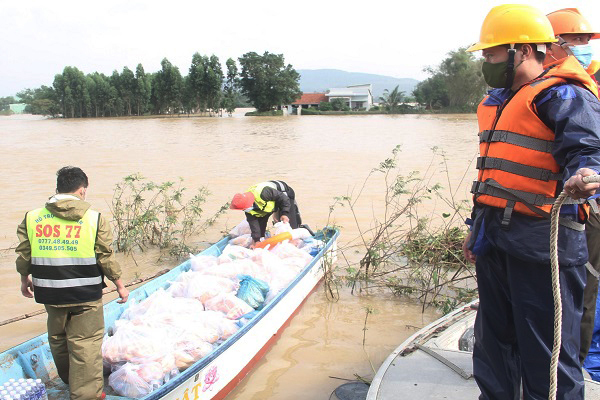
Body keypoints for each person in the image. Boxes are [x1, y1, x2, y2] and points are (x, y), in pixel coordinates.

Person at [462, 4, 600, 399]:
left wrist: (586, 175)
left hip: (543, 243)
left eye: (490, 54)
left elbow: (590, 149)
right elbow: (490, 176)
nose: (485, 62)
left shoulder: (563, 96)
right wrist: (475, 230)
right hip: (495, 237)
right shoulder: (499, 100)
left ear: (521, 50)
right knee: (492, 347)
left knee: (548, 357)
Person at [15, 166, 129, 400]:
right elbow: (105, 257)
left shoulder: (33, 217)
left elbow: (24, 255)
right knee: (85, 343)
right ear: (82, 191)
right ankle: (86, 394)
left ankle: (70, 380)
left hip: (50, 293)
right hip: (85, 295)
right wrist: (119, 284)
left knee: (58, 338)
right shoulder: (94, 219)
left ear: (57, 190)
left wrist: (23, 279)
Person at [546, 7, 600, 366]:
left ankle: (582, 368)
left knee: (587, 290)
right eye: (575, 40)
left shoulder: (584, 86)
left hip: (588, 202)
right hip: (556, 210)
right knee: (573, 290)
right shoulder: (544, 92)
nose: (583, 47)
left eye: (586, 40)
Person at [229, 180, 302, 244]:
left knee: (288, 223)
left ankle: (296, 243)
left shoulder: (263, 193)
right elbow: (254, 224)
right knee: (266, 224)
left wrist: (285, 214)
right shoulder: (248, 208)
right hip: (270, 202)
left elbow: (284, 199)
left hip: (284, 193)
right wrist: (257, 240)